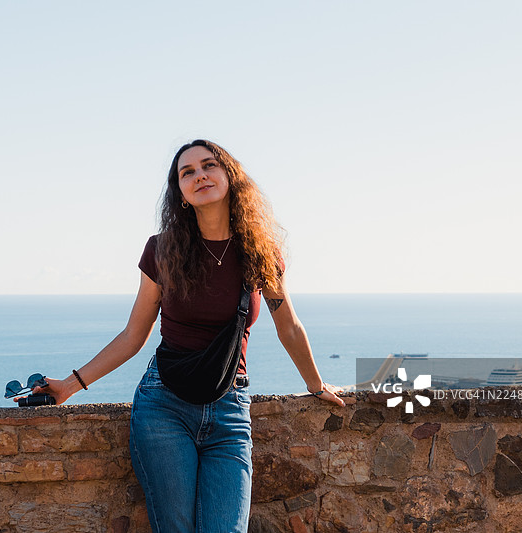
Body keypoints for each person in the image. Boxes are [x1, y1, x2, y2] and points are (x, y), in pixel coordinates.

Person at [18, 139, 345, 532]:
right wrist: (69, 385)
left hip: (230, 408)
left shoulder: (259, 252)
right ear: (181, 194)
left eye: (209, 166)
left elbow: (288, 324)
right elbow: (133, 335)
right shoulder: (163, 251)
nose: (199, 175)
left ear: (230, 176)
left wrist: (315, 383)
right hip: (164, 408)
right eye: (186, 172)